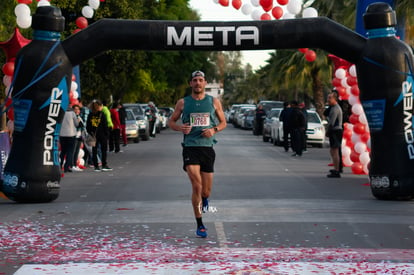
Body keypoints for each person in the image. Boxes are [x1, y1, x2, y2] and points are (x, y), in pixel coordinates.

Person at [169, 70, 227, 238]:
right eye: (194, 80)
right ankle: (200, 224)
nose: (198, 83)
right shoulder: (183, 102)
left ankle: (205, 198)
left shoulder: (213, 101)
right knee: (196, 185)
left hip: (207, 148)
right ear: (190, 84)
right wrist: (181, 128)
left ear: (205, 83)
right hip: (190, 147)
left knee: (206, 191)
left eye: (200, 80)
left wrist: (214, 130)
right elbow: (171, 121)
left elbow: (223, 123)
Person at [86, 100, 112, 172]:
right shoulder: (102, 114)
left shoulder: (90, 115)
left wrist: (91, 132)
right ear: (99, 106)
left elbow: (88, 126)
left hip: (93, 135)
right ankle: (104, 165)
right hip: (102, 135)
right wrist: (107, 134)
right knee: (103, 150)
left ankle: (96, 166)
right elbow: (105, 125)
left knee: (94, 151)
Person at [326, 92, 343, 178]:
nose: (328, 99)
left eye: (330, 98)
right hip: (334, 131)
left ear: (334, 99)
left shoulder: (335, 108)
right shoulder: (332, 108)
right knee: (332, 151)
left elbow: (331, 123)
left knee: (335, 151)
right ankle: (335, 168)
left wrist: (327, 132)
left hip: (336, 131)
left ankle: (337, 170)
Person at [59, 105, 80, 173]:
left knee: (63, 151)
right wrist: (78, 121)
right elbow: (76, 124)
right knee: (70, 152)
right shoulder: (72, 113)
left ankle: (60, 164)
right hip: (71, 135)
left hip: (62, 135)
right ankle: (66, 167)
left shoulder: (60, 112)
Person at [72, 104, 85, 171]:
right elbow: (76, 126)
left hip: (79, 136)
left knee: (76, 152)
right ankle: (72, 165)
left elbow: (82, 127)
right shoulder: (73, 117)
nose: (77, 110)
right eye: (75, 109)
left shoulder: (79, 117)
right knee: (73, 152)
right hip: (74, 136)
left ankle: (75, 165)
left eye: (78, 109)